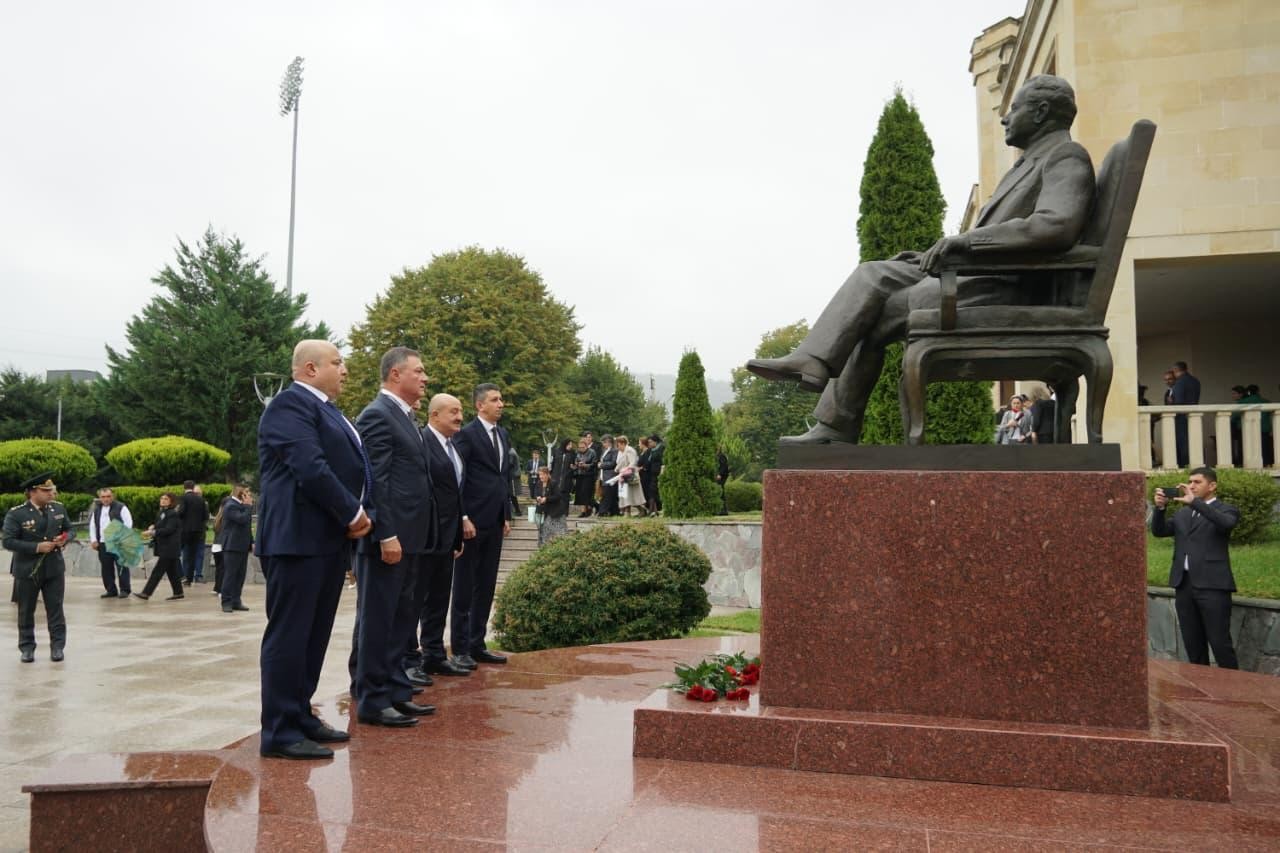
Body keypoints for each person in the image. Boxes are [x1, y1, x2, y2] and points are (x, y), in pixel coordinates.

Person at [745, 75, 1096, 445]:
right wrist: (936, 253)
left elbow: (1055, 226)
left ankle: (835, 421)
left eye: (1014, 109)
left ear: (1041, 112)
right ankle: (816, 373)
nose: (1006, 119)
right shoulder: (1029, 163)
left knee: (872, 311)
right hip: (982, 276)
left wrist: (965, 243)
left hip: (1009, 288)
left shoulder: (1065, 156)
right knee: (872, 277)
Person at [257, 339, 373, 760]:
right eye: (337, 362)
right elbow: (309, 466)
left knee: (313, 635)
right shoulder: (288, 406)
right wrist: (352, 512)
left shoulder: (326, 409)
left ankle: (299, 714)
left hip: (322, 541)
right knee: (290, 636)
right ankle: (280, 732)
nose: (344, 369)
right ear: (309, 368)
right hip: (296, 541)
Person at [349, 347, 437, 728]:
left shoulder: (405, 417)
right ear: (396, 375)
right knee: (379, 620)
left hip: (412, 538)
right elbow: (375, 480)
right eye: (419, 371)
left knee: (403, 621)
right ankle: (372, 698)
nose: (425, 378)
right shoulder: (376, 415)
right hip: (390, 539)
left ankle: (397, 691)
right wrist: (386, 533)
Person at [449, 383, 513, 670]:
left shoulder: (503, 434)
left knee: (486, 586)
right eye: (495, 400)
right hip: (471, 523)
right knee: (464, 587)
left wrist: (506, 514)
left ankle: (477, 643)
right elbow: (457, 479)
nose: (501, 404)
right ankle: (460, 648)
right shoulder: (466, 435)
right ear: (479, 405)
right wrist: (462, 517)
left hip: (495, 521)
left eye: (501, 400)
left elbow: (503, 478)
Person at [1152, 467, 1239, 669]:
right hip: (1184, 585)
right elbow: (1160, 531)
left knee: (1220, 643)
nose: (1191, 486)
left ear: (1212, 486)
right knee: (1193, 644)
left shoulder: (1227, 509)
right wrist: (1160, 509)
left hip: (1213, 586)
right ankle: (1200, 688)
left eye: (1197, 482)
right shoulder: (1184, 514)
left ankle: (1235, 691)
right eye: (1190, 482)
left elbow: (1225, 524)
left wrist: (1196, 503)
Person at [409, 393, 471, 680]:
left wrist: (457, 532)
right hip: (425, 536)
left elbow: (454, 493)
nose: (459, 417)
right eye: (453, 412)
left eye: (460, 411)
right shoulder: (421, 442)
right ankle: (409, 661)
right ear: (434, 415)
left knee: (438, 599)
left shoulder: (452, 446)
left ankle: (434, 654)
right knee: (415, 599)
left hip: (447, 538)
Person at [3, 473, 73, 663]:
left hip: (54, 568)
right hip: (28, 570)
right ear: (33, 492)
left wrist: (64, 539)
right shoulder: (16, 513)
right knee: (26, 610)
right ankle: (27, 647)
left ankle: (57, 647)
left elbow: (69, 529)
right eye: (46, 490)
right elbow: (8, 541)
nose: (51, 493)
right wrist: (36, 547)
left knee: (56, 608)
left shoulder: (58, 508)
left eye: (51, 490)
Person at [135, 492, 184, 601]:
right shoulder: (162, 512)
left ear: (171, 501)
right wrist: (153, 526)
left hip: (170, 548)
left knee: (158, 571)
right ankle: (178, 592)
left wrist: (152, 532)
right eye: (162, 498)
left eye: (166, 499)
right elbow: (161, 524)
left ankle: (146, 593)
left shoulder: (172, 514)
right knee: (172, 572)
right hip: (165, 547)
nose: (163, 500)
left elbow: (169, 529)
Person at [89, 487, 133, 598]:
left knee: (122, 567)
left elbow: (128, 523)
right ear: (100, 498)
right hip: (103, 543)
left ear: (112, 496)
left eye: (108, 496)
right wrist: (94, 540)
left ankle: (125, 590)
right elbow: (93, 526)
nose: (106, 499)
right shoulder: (97, 509)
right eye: (103, 497)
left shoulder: (121, 507)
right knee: (106, 568)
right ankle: (111, 590)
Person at [219, 485, 254, 613]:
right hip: (232, 546)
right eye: (247, 493)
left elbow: (247, 526)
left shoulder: (241, 506)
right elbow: (242, 519)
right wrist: (248, 506)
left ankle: (236, 601)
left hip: (242, 546)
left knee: (240, 576)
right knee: (230, 575)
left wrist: (252, 542)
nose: (250, 496)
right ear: (241, 494)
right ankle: (226, 602)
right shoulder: (231, 505)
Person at [1170, 361, 1201, 467]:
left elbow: (1178, 402)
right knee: (1193, 441)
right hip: (1194, 415)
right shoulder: (1195, 381)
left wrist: (1171, 401)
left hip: (1181, 417)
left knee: (1182, 442)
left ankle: (1183, 465)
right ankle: (1194, 463)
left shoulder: (1180, 382)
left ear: (1175, 370)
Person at [178, 480, 209, 585]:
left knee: (187, 555)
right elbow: (206, 516)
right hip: (199, 532)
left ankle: (186, 577)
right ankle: (193, 577)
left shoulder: (184, 498)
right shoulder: (202, 501)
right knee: (194, 555)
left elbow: (181, 512)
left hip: (186, 532)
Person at [534, 466, 570, 544]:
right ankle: (543, 546)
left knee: (558, 531)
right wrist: (538, 497)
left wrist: (546, 499)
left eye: (542, 474)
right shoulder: (539, 483)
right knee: (543, 528)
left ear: (547, 474)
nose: (541, 476)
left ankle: (561, 545)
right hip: (543, 511)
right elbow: (536, 493)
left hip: (556, 511)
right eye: (539, 475)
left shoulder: (553, 483)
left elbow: (558, 496)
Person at [615, 435, 645, 516]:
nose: (617, 447)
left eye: (618, 445)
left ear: (623, 443)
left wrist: (625, 470)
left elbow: (632, 463)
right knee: (624, 495)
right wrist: (617, 469)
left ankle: (634, 511)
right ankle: (629, 512)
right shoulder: (620, 452)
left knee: (632, 495)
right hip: (622, 476)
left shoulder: (630, 450)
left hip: (630, 475)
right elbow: (618, 463)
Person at [571, 436, 598, 517]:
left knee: (587, 494)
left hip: (589, 476)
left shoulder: (592, 452)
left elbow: (594, 463)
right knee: (580, 494)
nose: (581, 449)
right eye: (579, 447)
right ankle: (583, 511)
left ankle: (592, 508)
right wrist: (575, 465)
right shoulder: (577, 453)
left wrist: (586, 465)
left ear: (586, 446)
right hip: (579, 475)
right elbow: (575, 461)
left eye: (583, 447)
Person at [597, 435, 618, 517]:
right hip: (603, 475)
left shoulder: (614, 451)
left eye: (604, 443)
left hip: (610, 475)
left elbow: (613, 463)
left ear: (609, 442)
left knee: (607, 494)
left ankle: (602, 511)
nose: (603, 445)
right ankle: (614, 511)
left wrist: (601, 465)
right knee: (609, 494)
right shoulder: (604, 451)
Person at [646, 434, 665, 515]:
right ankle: (654, 510)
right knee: (652, 491)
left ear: (655, 441)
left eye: (650, 442)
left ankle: (658, 510)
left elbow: (663, 460)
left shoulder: (661, 448)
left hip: (659, 472)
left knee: (656, 491)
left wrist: (662, 471)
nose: (649, 444)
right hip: (653, 473)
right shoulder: (652, 450)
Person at [716, 446, 730, 515]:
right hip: (717, 476)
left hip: (721, 476)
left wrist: (720, 474)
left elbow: (724, 466)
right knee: (718, 491)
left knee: (720, 491)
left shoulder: (721, 456)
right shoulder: (715, 456)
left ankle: (723, 511)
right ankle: (719, 509)